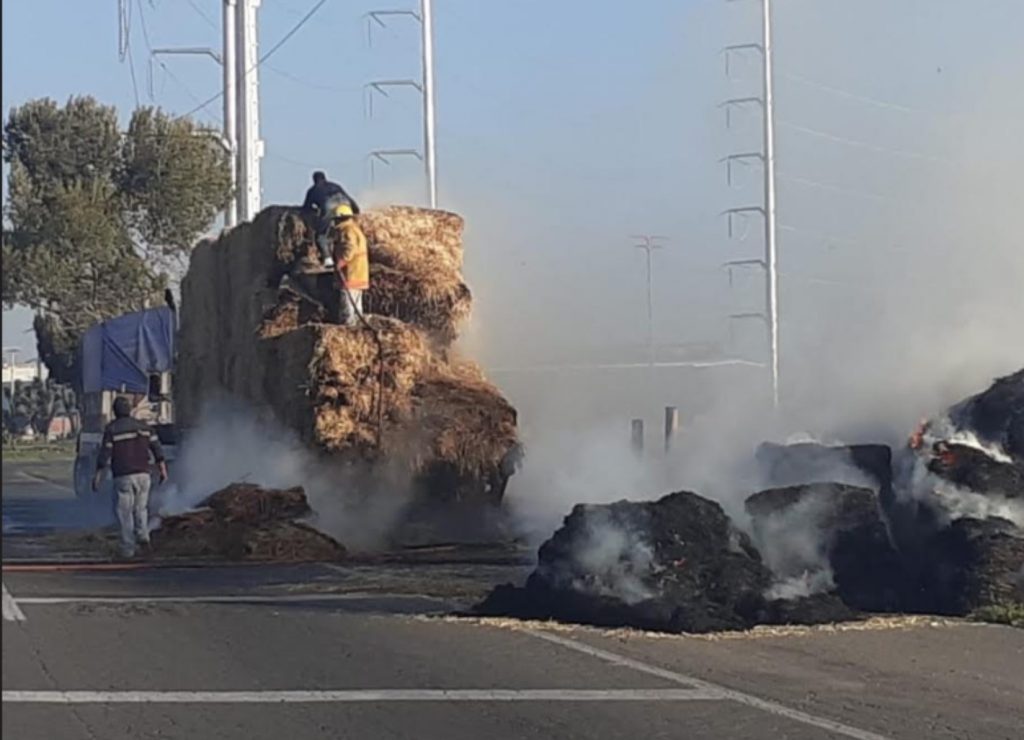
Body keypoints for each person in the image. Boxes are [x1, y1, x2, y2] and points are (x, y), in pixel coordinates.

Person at [92, 396, 168, 558]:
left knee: (124, 512)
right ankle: (143, 537)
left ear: (115, 412)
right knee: (141, 509)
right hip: (144, 475)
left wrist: (98, 477)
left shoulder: (112, 429)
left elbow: (105, 455)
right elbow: (157, 450)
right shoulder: (145, 428)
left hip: (123, 476)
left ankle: (128, 548)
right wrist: (163, 471)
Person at [302, 171, 360, 264]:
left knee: (321, 235)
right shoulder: (336, 185)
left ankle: (327, 259)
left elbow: (306, 208)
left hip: (329, 204)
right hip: (344, 202)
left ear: (314, 180)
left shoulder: (313, 190)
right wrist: (356, 211)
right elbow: (349, 198)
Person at [331, 203, 369, 327]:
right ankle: (358, 334)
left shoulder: (347, 231)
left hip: (350, 275)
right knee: (357, 310)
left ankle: (349, 333)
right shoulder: (355, 229)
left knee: (347, 312)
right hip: (359, 274)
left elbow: (349, 249)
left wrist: (340, 262)